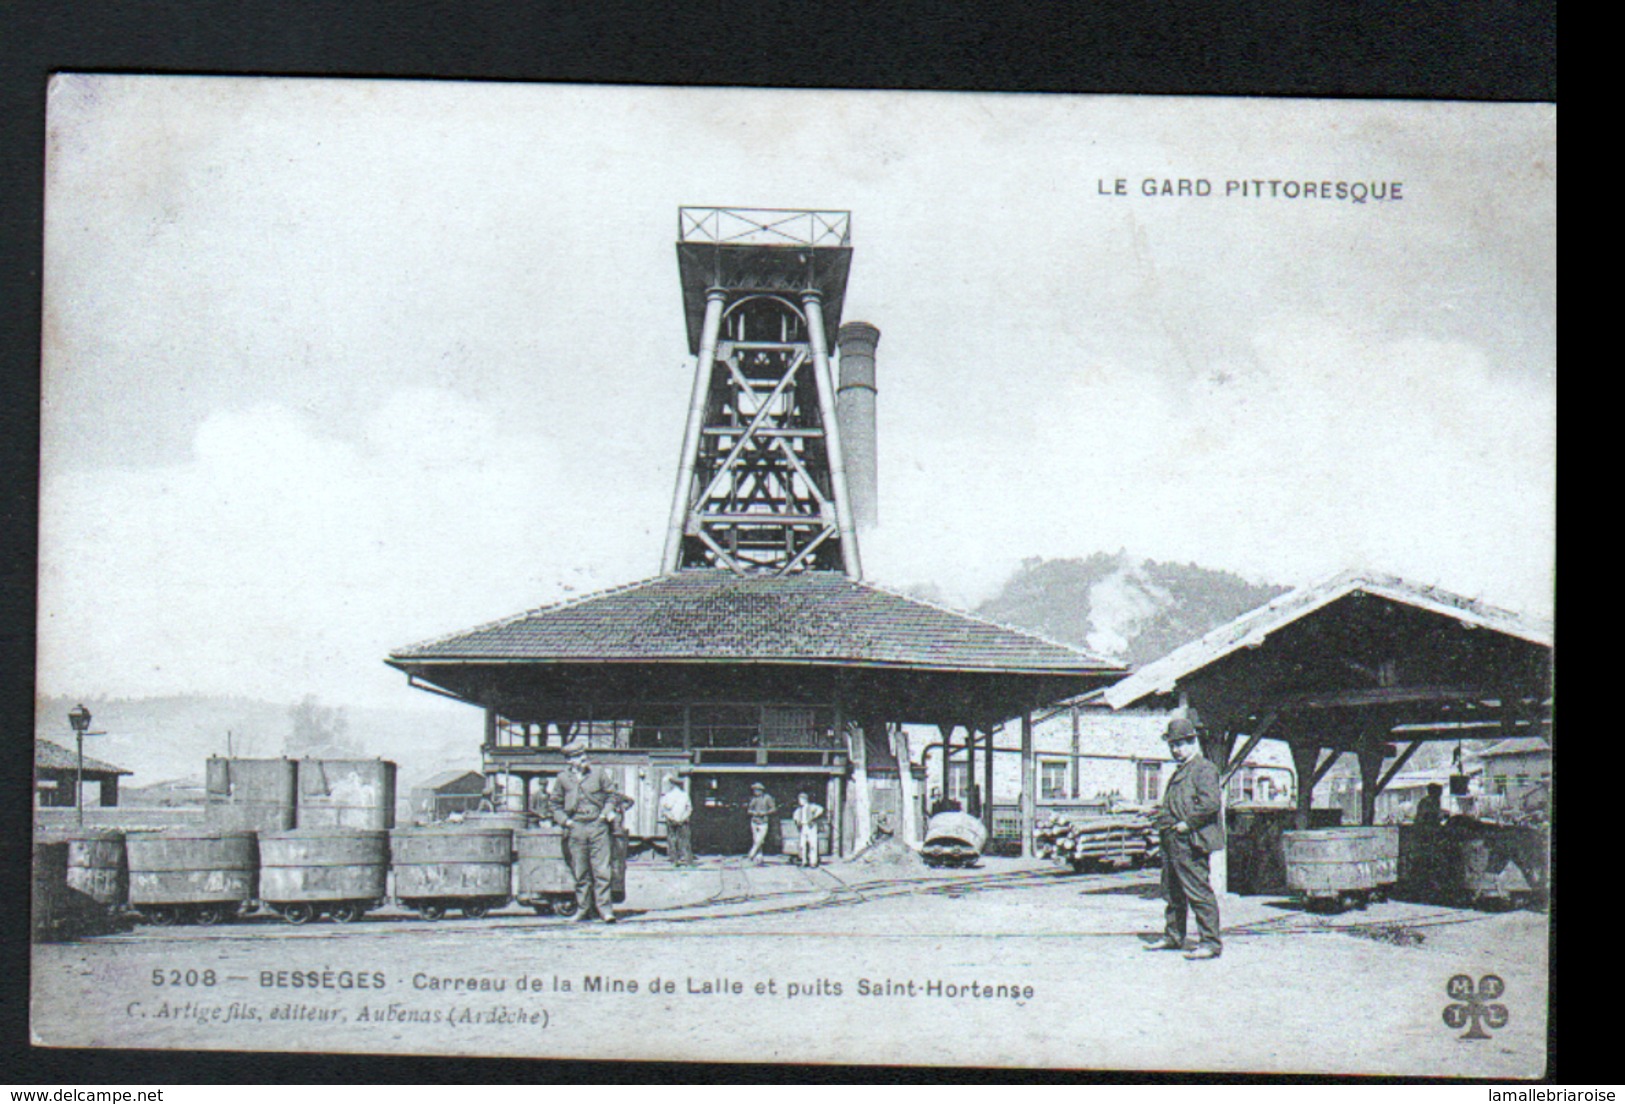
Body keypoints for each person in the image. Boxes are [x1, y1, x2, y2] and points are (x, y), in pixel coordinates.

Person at [1145, 716, 1225, 960]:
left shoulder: (1204, 769)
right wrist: (1157, 814)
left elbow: (1210, 804)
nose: (1176, 750)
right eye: (1172, 745)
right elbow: (1180, 802)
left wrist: (1186, 824)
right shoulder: (1182, 771)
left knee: (1198, 891)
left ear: (1193, 743)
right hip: (1172, 838)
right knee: (1172, 892)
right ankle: (1174, 937)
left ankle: (1210, 943)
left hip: (1191, 839)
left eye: (1180, 744)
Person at [543, 739, 628, 922]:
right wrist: (566, 822)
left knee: (602, 871)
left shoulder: (598, 773)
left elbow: (612, 796)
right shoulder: (562, 778)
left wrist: (604, 815)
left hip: (598, 826)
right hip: (576, 827)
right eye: (577, 757)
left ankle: (605, 911)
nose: (583, 759)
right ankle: (583, 909)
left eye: (583, 755)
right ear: (569, 761)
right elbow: (554, 804)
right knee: (580, 871)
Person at [659, 774, 695, 867]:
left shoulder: (667, 796)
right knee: (685, 840)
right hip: (683, 819)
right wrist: (683, 817)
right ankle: (688, 861)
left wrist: (671, 817)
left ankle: (674, 860)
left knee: (672, 840)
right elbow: (689, 808)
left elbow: (664, 809)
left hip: (672, 820)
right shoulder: (684, 795)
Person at [745, 782, 778, 864]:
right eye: (754, 790)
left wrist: (765, 812)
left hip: (763, 821)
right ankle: (759, 857)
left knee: (760, 840)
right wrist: (754, 813)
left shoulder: (767, 798)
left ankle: (751, 854)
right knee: (756, 839)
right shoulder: (753, 799)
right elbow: (749, 810)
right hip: (754, 821)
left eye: (757, 790)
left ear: (761, 790)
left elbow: (773, 808)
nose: (755, 792)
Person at [792, 791, 825, 868]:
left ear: (805, 800)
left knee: (812, 844)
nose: (800, 801)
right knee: (802, 845)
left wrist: (814, 816)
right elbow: (795, 816)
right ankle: (804, 860)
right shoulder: (799, 809)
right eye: (799, 799)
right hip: (803, 827)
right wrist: (797, 821)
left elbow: (820, 809)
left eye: (802, 799)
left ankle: (813, 861)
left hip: (811, 826)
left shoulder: (811, 807)